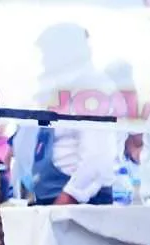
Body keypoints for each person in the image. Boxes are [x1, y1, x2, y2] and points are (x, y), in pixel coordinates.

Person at [22, 24, 117, 206]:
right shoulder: (58, 92)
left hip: (80, 203)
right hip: (53, 198)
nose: (44, 61)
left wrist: (68, 199)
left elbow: (97, 157)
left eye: (48, 54)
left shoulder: (91, 89)